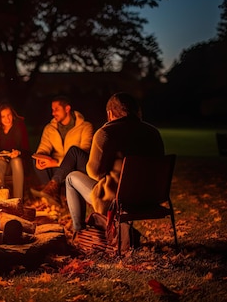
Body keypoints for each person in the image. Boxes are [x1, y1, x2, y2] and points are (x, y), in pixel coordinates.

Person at [65, 92, 165, 233]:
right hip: (152, 197)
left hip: (118, 200)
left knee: (71, 178)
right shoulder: (153, 132)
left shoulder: (105, 133)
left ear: (110, 113)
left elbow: (94, 173)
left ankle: (80, 231)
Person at [30, 95, 93, 206]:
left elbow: (84, 152)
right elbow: (43, 147)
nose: (53, 113)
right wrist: (40, 157)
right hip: (56, 167)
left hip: (76, 166)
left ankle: (52, 189)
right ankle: (53, 195)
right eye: (52, 110)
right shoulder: (50, 128)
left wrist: (55, 162)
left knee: (73, 150)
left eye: (56, 109)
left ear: (67, 109)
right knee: (37, 160)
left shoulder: (85, 127)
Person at [0, 103, 30, 199]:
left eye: (9, 115)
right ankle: (2, 198)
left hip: (16, 162)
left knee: (16, 161)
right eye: (3, 116)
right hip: (0, 161)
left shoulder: (19, 127)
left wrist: (18, 153)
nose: (7, 119)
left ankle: (18, 199)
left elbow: (26, 149)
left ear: (12, 115)